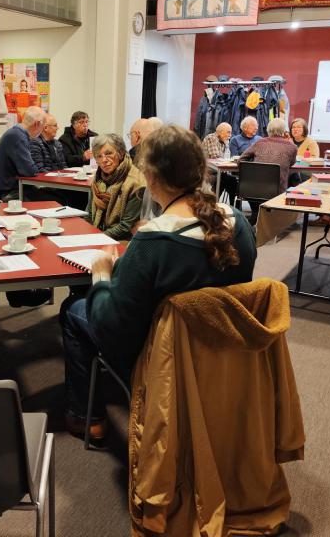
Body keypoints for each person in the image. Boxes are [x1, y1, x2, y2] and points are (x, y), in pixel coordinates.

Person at [60, 124, 256, 440]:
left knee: (74, 309)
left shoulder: (154, 240)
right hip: (224, 349)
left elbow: (112, 327)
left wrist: (101, 273)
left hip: (165, 358)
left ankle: (87, 417)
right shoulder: (240, 223)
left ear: (151, 179)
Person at [86, 133, 146, 242]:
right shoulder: (97, 179)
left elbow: (126, 227)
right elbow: (89, 214)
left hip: (123, 241)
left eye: (108, 153)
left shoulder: (135, 183)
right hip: (97, 236)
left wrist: (95, 238)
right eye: (99, 156)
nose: (104, 160)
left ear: (120, 153)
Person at [239, 118, 297, 223]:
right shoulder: (292, 147)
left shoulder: (259, 142)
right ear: (284, 131)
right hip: (277, 190)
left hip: (251, 188)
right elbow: (291, 163)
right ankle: (270, 218)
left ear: (268, 129)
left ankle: (256, 213)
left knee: (256, 188)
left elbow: (241, 160)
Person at [0, 106, 58, 201]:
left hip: (19, 188)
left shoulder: (17, 133)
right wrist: (33, 166)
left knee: (57, 194)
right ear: (37, 124)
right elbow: (30, 171)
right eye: (43, 126)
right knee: (59, 198)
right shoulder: (18, 137)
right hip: (15, 192)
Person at [203, 122, 238, 204]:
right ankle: (213, 203)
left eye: (230, 132)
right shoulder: (211, 138)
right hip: (206, 171)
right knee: (223, 179)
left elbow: (224, 158)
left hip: (217, 171)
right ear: (220, 132)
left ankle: (233, 205)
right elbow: (215, 156)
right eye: (228, 132)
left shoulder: (222, 141)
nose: (230, 135)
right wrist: (226, 145)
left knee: (232, 180)